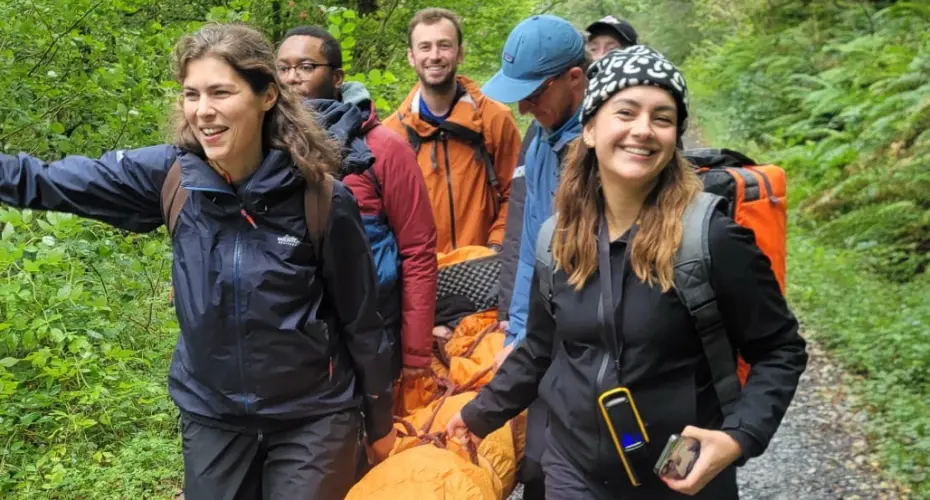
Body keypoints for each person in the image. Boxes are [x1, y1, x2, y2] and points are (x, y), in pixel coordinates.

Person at [0, 23, 395, 499]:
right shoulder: (171, 177)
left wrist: (379, 419)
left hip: (313, 416)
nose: (203, 111)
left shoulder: (320, 198)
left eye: (221, 92)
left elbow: (360, 319)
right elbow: (47, 180)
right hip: (214, 416)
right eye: (192, 94)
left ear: (267, 95)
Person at [448, 46, 808, 499]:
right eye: (626, 112)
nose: (643, 130)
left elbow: (780, 349)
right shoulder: (556, 238)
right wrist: (479, 415)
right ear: (592, 127)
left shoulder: (709, 238)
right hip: (572, 470)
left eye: (662, 117)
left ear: (674, 136)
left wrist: (738, 435)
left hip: (679, 478)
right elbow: (541, 349)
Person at [277, 25, 438, 381]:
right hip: (291, 340)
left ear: (336, 77)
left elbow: (417, 250)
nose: (292, 78)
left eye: (305, 67)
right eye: (283, 68)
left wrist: (415, 351)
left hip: (373, 330)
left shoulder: (385, 149)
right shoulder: (263, 148)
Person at [482, 15, 589, 499]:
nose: (524, 106)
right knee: (538, 471)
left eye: (535, 92)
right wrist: (519, 331)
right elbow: (529, 246)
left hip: (591, 351)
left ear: (576, 79)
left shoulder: (606, 151)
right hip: (546, 342)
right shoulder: (540, 139)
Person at [383, 8, 520, 254]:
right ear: (411, 57)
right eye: (425, 47)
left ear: (460, 54)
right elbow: (383, 212)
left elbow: (517, 193)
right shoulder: (391, 133)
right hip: (421, 272)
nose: (434, 56)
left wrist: (496, 246)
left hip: (485, 263)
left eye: (444, 46)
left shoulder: (495, 119)